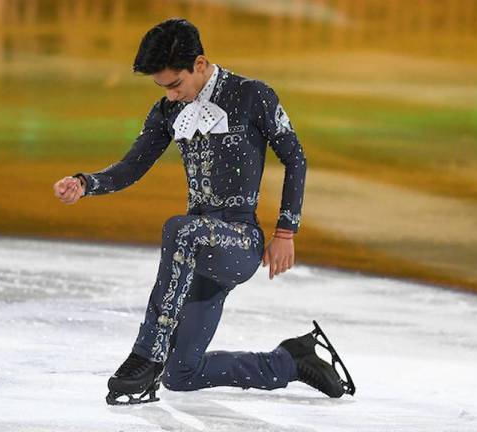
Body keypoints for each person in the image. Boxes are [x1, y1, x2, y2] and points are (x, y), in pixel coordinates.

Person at [52, 18, 355, 405]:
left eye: (175, 85)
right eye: (162, 88)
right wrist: (85, 183)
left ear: (199, 63)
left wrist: (285, 232)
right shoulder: (167, 111)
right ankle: (290, 361)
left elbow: (295, 158)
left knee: (180, 229)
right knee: (181, 375)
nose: (171, 96)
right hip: (196, 253)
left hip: (239, 241)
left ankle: (147, 354)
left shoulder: (252, 95)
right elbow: (133, 165)